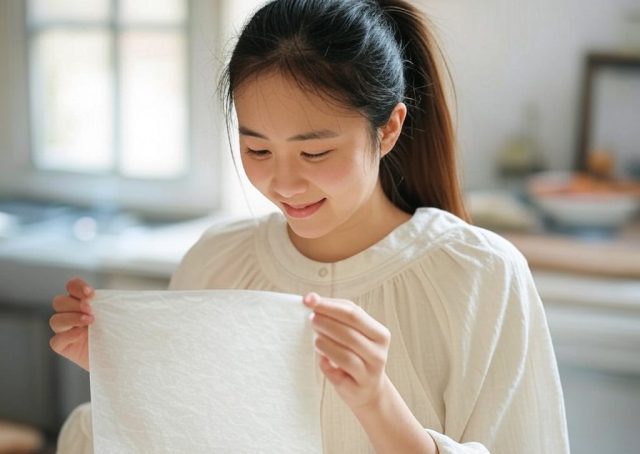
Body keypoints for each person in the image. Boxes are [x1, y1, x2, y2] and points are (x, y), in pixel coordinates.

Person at [49, 0, 570, 452]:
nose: (285, 183)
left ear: (388, 128)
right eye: (257, 149)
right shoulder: (217, 260)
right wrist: (123, 374)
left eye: (315, 151)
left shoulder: (480, 274)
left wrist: (376, 402)